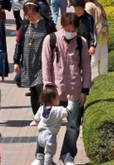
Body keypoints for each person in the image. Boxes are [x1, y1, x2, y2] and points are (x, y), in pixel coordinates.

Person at [41, 12, 91, 165]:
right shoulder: (51, 40)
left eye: (73, 30)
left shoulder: (81, 42)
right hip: (55, 91)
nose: (70, 32)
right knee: (49, 126)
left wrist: (84, 91)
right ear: (62, 26)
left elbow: (86, 68)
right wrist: (48, 87)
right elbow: (46, 65)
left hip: (74, 91)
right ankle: (45, 156)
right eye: (68, 29)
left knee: (73, 126)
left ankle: (67, 154)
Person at [14, 2, 56, 122]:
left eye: (33, 14)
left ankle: (46, 113)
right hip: (28, 62)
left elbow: (55, 41)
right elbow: (19, 43)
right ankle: (36, 116)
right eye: (28, 15)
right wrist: (16, 61)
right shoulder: (25, 24)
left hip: (43, 62)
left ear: (38, 12)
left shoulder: (48, 24)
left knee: (40, 87)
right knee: (33, 90)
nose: (31, 17)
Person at [33, 85, 70, 165]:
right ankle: (48, 163)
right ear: (53, 99)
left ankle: (38, 161)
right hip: (50, 136)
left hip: (40, 134)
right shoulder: (58, 110)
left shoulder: (41, 108)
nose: (59, 98)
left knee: (40, 152)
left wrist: (35, 122)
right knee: (49, 153)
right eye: (57, 97)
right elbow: (68, 111)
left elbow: (36, 118)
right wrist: (70, 101)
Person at [84, 0, 108, 77]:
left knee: (104, 60)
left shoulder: (99, 4)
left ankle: (103, 78)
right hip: (95, 38)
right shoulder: (89, 5)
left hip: (103, 37)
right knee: (93, 61)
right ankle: (88, 79)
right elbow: (88, 22)